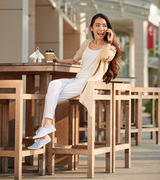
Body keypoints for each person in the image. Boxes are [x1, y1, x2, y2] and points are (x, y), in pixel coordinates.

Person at [28, 13, 121, 149]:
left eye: (104, 26)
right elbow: (74, 60)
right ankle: (47, 127)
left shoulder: (110, 48)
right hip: (77, 79)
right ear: (91, 28)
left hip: (89, 83)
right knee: (53, 85)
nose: (101, 28)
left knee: (50, 98)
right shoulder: (86, 44)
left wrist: (108, 41)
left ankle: (44, 132)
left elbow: (103, 56)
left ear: (108, 30)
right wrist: (59, 61)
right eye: (97, 25)